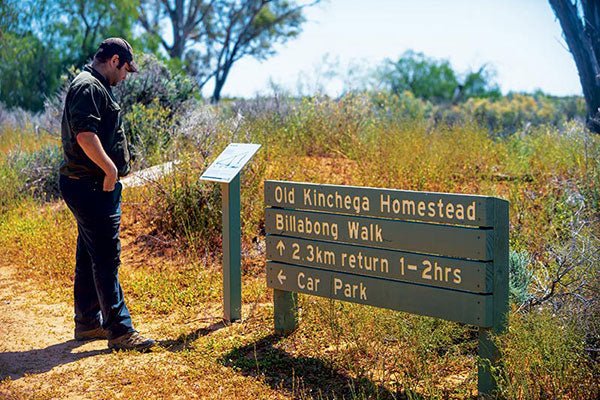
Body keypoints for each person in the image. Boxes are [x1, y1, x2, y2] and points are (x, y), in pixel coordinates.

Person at [59, 38, 155, 351]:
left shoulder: (97, 85)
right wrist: (110, 170)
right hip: (92, 185)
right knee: (105, 256)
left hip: (89, 185)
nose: (126, 76)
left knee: (89, 254)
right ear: (114, 60)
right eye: (126, 68)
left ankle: (88, 322)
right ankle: (120, 331)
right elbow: (85, 135)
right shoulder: (89, 86)